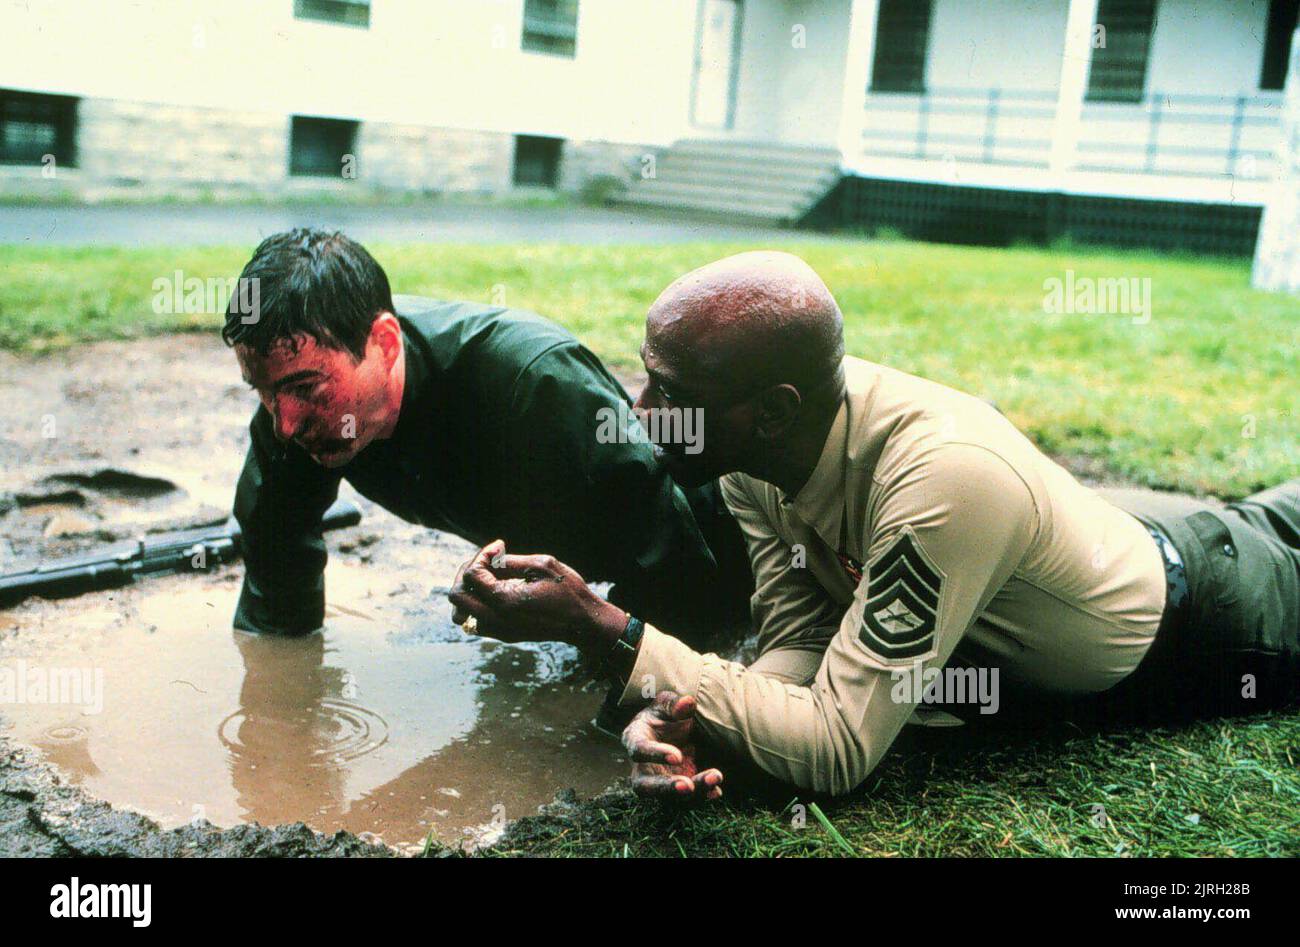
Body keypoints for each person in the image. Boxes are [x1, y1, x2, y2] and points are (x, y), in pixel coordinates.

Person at [447, 251, 1300, 799]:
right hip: (1127, 534)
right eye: (648, 378)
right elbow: (803, 638)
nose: (642, 410)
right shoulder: (759, 456)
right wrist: (688, 713)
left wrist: (606, 630)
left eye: (674, 395)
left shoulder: (939, 480)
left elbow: (839, 745)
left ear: (773, 411)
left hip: (1216, 620)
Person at [223, 228, 750, 648]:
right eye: (264, 392)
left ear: (384, 342)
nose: (285, 424)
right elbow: (275, 554)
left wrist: (622, 679)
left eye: (305, 387)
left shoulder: (535, 384)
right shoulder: (294, 414)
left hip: (726, 545)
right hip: (569, 544)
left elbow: (678, 555)